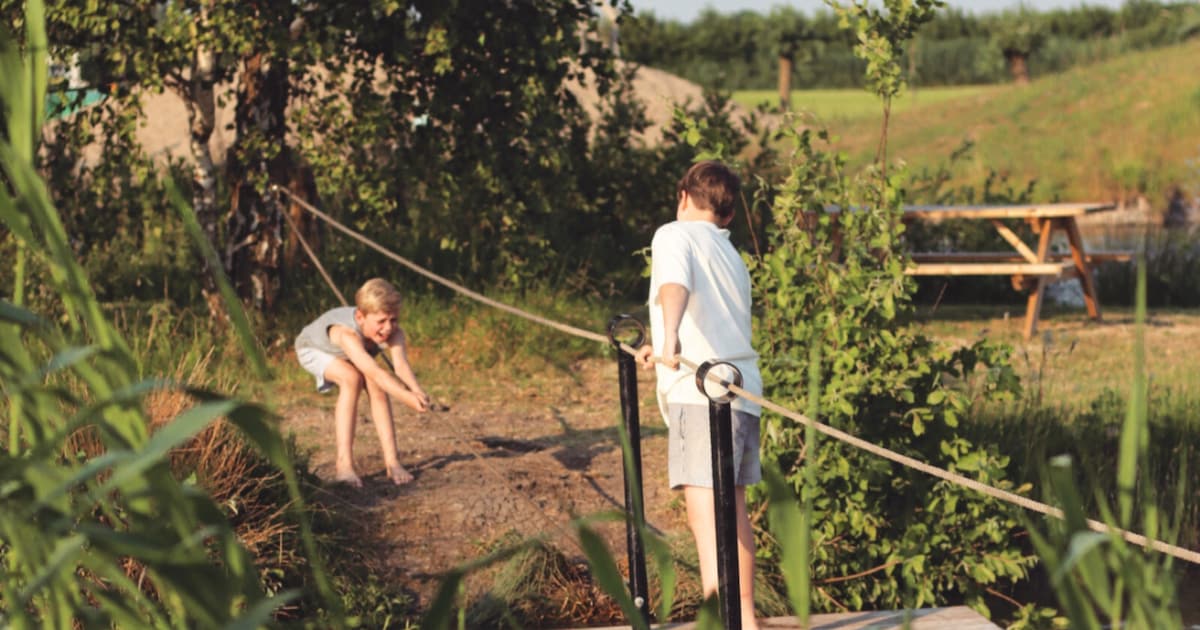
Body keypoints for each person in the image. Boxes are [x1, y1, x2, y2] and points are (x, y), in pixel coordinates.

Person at [635, 160, 763, 630]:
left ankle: (723, 620)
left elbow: (675, 285)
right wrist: (665, 343)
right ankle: (743, 617)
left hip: (704, 394)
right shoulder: (730, 253)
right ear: (727, 215)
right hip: (742, 389)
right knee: (732, 509)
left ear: (683, 196)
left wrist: (668, 339)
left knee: (706, 515)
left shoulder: (674, 233)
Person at [295, 278, 430, 487]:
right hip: (313, 348)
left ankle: (392, 462)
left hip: (354, 353)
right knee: (352, 379)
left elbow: (400, 366)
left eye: (393, 320)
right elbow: (374, 371)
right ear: (360, 317)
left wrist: (417, 391)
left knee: (378, 389)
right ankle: (344, 466)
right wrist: (405, 397)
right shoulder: (347, 334)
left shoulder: (394, 332)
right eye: (381, 321)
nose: (388, 328)